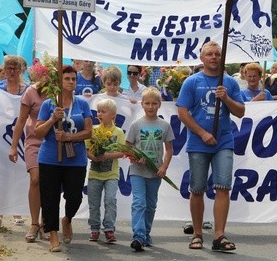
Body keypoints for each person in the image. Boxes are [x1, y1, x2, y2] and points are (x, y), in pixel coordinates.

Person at [176, 41, 245, 251]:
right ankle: (197, 234)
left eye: (217, 54)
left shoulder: (230, 84)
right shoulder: (191, 82)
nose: (213, 57)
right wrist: (202, 133)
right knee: (197, 189)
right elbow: (182, 112)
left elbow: (240, 111)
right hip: (198, 143)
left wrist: (226, 99)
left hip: (224, 141)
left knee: (223, 187)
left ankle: (219, 235)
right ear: (202, 57)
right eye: (209, 54)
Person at [35, 65, 93, 252]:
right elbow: (38, 133)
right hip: (50, 158)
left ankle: (67, 218)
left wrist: (68, 137)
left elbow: (88, 132)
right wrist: (52, 119)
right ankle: (53, 235)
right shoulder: (49, 104)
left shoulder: (82, 104)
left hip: (75, 159)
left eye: (73, 79)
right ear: (59, 82)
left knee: (74, 196)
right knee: (50, 198)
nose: (70, 82)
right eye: (67, 78)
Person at [126, 87, 174, 251]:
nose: (151, 106)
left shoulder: (164, 125)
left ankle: (146, 233)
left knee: (151, 204)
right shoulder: (136, 125)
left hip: (155, 173)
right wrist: (134, 157)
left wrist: (164, 166)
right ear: (142, 104)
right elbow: (127, 147)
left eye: (154, 103)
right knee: (139, 202)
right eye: (147, 103)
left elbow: (169, 149)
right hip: (137, 171)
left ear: (159, 105)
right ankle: (138, 236)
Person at [9, 62, 51, 242]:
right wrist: (13, 145)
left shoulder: (56, 92)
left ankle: (46, 223)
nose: (44, 78)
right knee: (35, 179)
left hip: (52, 141)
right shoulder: (30, 92)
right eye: (41, 75)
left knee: (49, 183)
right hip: (33, 141)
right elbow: (21, 120)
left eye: (48, 75)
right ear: (35, 75)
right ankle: (34, 223)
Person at [0, 55, 28, 227]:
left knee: (20, 174)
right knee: (3, 175)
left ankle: (17, 211)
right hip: (2, 137)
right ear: (4, 70)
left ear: (21, 70)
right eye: (9, 68)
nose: (12, 71)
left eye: (15, 68)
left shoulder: (27, 90)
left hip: (22, 138)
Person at [85, 99, 125, 243]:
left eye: (103, 111)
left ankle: (109, 228)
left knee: (110, 200)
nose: (99, 114)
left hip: (112, 174)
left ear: (113, 115)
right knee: (94, 202)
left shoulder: (118, 132)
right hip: (95, 173)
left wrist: (107, 155)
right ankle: (94, 228)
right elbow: (87, 149)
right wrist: (93, 157)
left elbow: (122, 152)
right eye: (98, 112)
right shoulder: (94, 130)